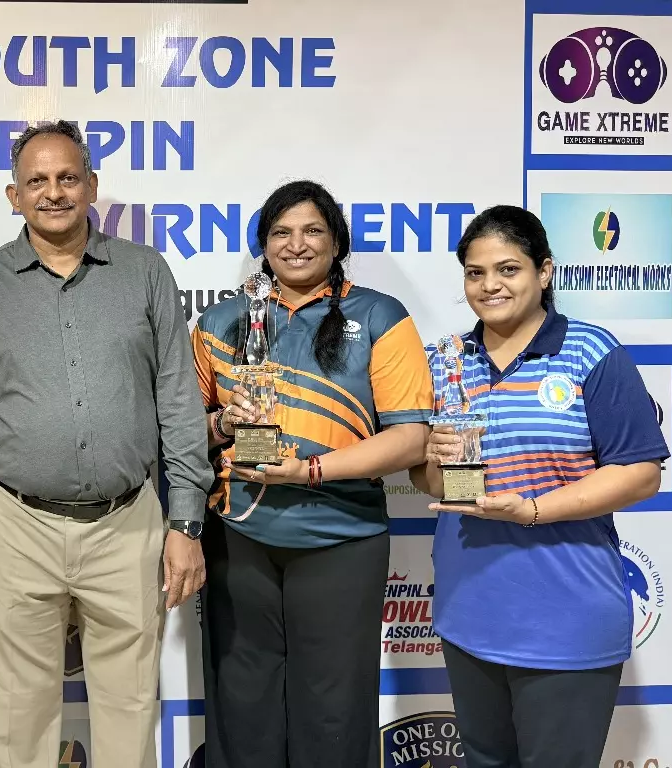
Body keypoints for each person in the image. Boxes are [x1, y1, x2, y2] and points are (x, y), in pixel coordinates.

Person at [0, 120, 215, 768]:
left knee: (130, 711)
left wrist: (185, 523)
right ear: (14, 196)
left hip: (128, 523)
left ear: (91, 185)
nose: (53, 192)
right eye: (37, 181)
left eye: (67, 178)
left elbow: (178, 402)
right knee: (19, 718)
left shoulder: (144, 272)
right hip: (13, 525)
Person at [409, 205, 666, 768]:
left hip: (566, 615)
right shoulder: (445, 361)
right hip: (468, 610)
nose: (490, 285)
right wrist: (435, 461)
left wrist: (531, 509)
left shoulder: (590, 351)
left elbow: (642, 471)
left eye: (508, 269)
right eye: (475, 273)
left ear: (544, 271)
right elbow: (430, 480)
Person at [194, 179, 432, 767]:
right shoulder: (222, 319)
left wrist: (308, 471)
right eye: (281, 232)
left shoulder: (378, 314)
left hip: (341, 537)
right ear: (263, 244)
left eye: (312, 231)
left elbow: (410, 439)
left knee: (334, 709)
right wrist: (222, 423)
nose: (295, 245)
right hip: (238, 535)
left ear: (336, 241)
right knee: (242, 702)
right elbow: (183, 433)